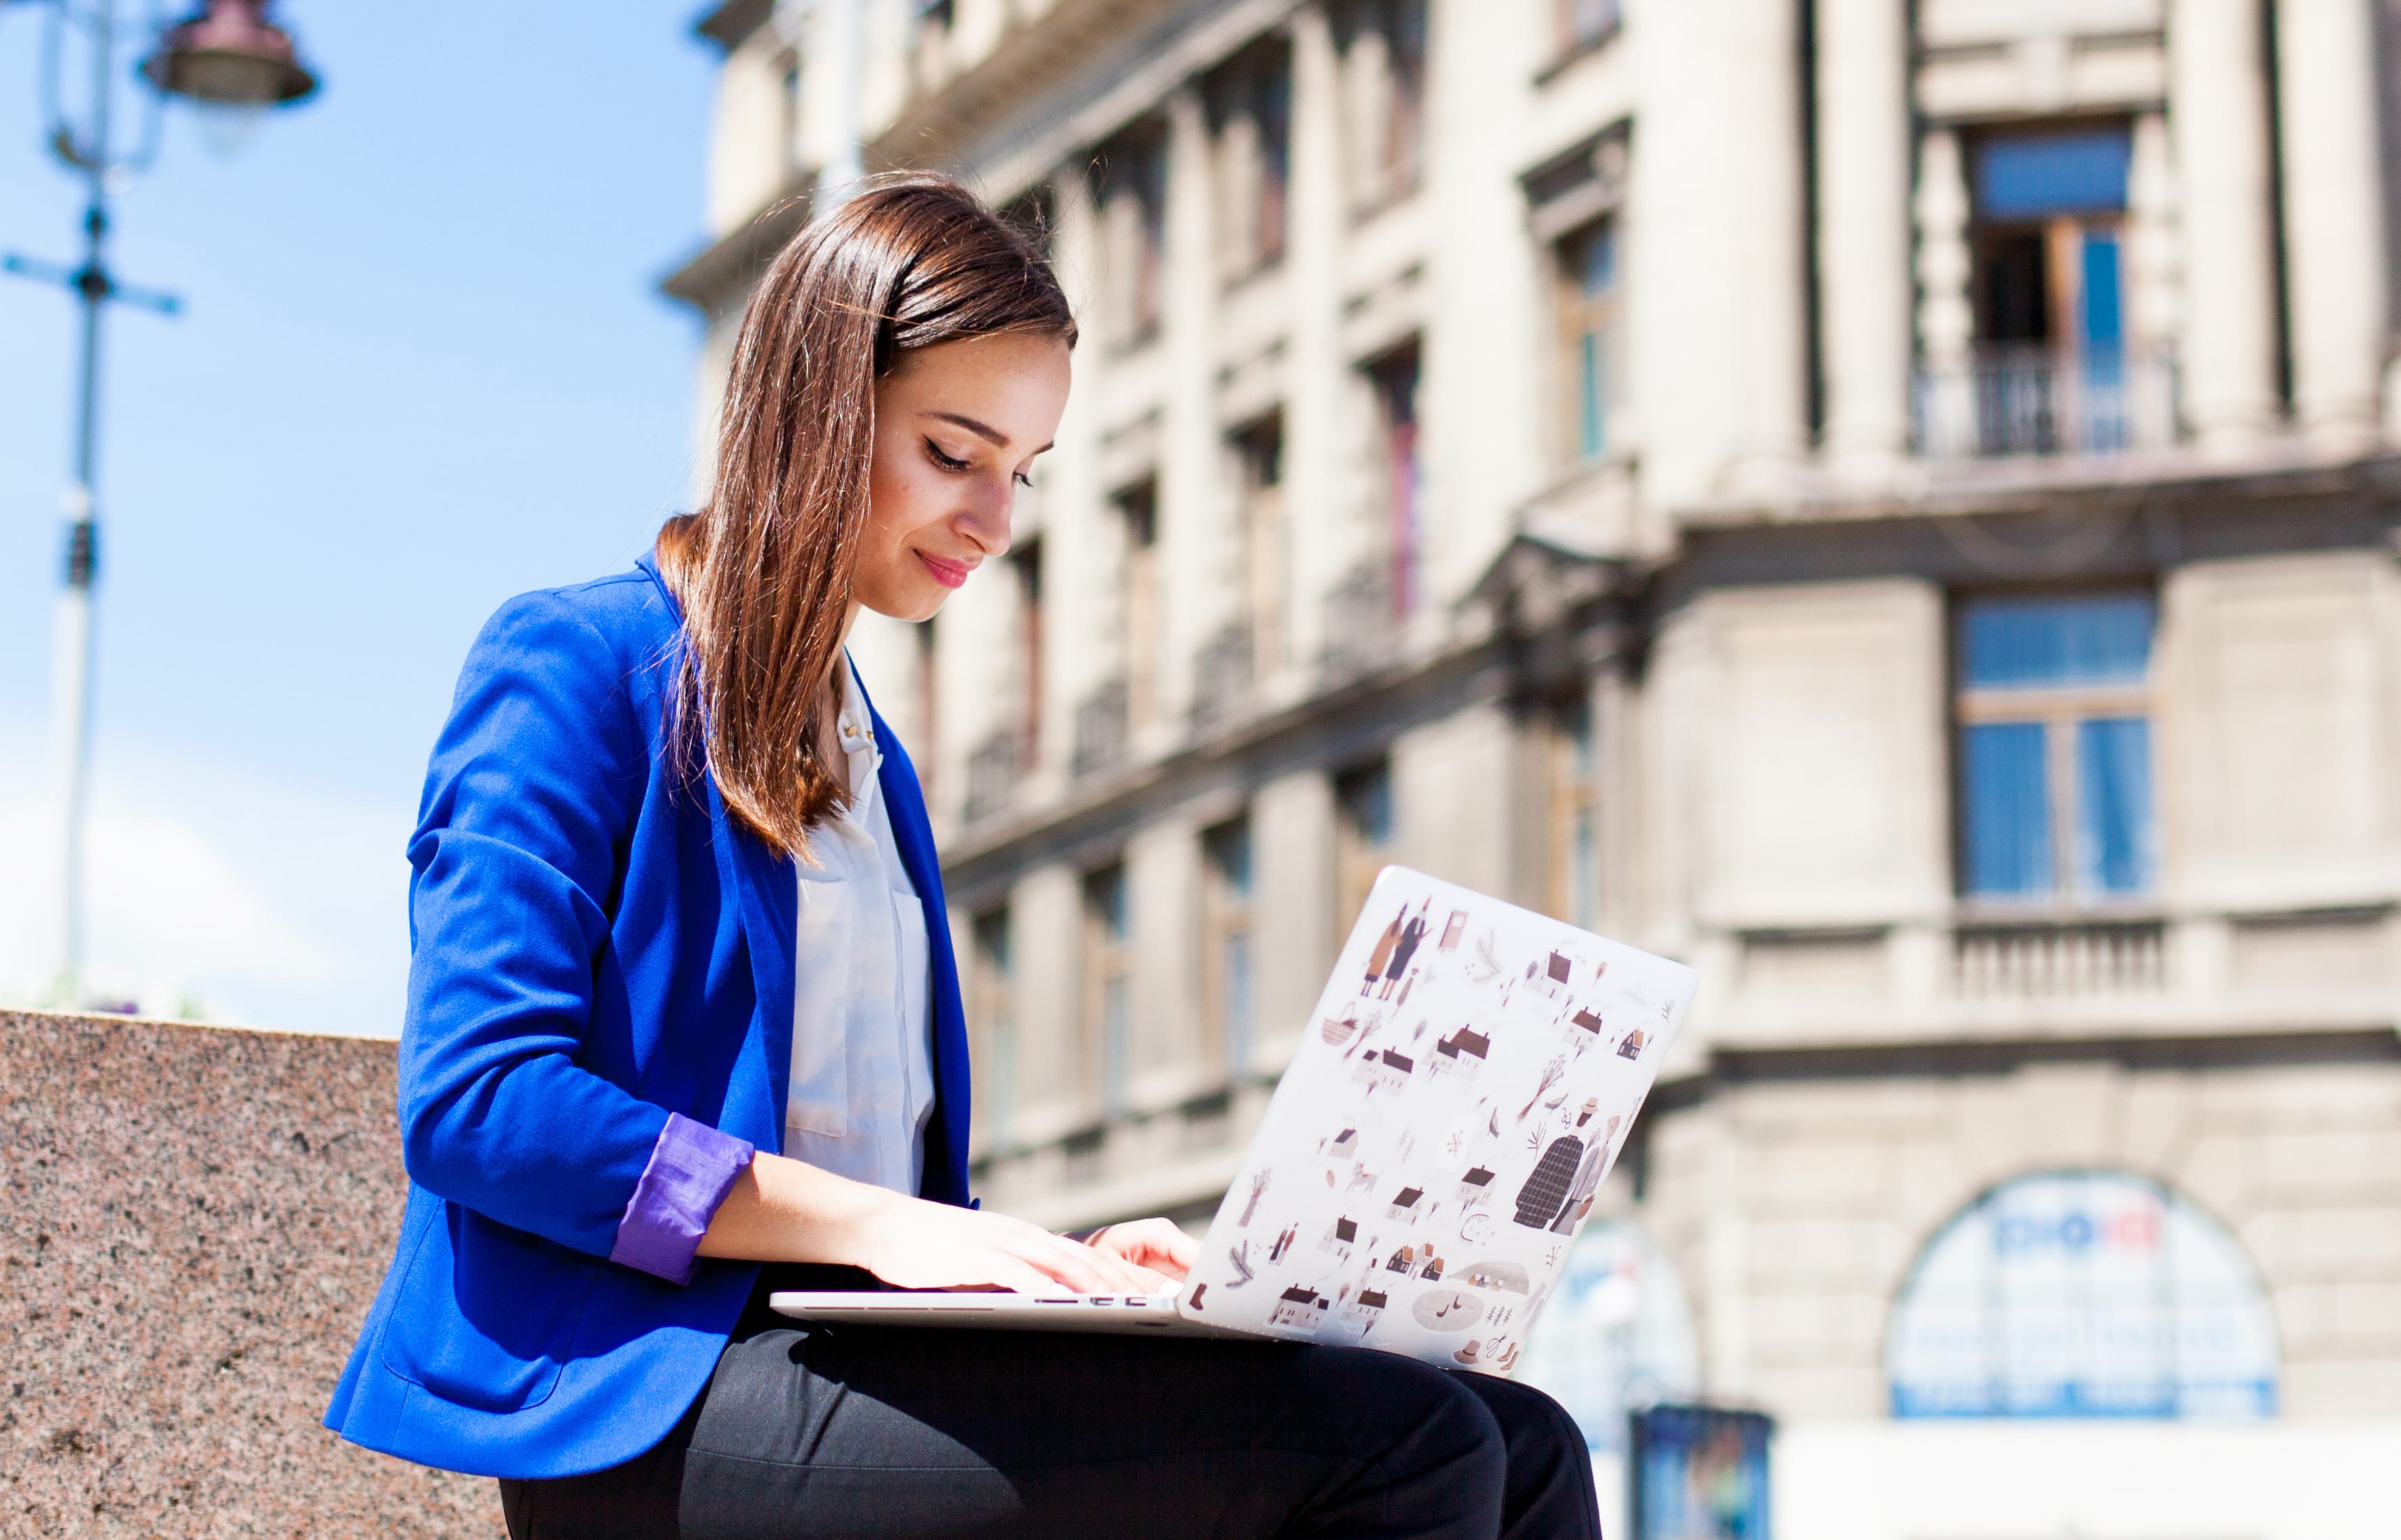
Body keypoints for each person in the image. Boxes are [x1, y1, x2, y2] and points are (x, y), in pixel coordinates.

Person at [327, 176, 1595, 1540]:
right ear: (819, 407)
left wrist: (1060, 1274)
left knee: (1522, 1444)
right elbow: (475, 1104)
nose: (994, 519)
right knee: (1394, 1445)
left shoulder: (875, 765)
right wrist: (885, 1228)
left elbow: (881, 1167)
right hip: (645, 1397)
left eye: (1021, 474)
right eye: (954, 453)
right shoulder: (576, 665)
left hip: (852, 1364)